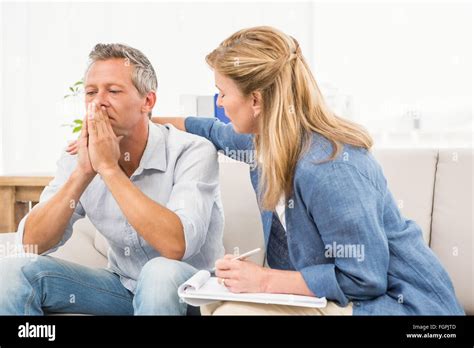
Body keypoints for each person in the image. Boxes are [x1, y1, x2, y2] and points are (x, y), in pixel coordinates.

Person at [154, 26, 464, 315]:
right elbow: (209, 129)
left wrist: (263, 280)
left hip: (406, 308)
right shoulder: (264, 143)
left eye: (222, 93)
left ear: (257, 100)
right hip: (344, 300)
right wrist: (141, 124)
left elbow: (364, 278)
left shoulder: (331, 167)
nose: (219, 103)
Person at [0, 43, 224, 315]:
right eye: (91, 92)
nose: (98, 102)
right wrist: (83, 172)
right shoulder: (78, 156)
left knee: (159, 273)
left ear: (148, 102)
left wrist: (109, 169)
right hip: (121, 289)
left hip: (190, 291)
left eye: (113, 91)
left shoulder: (192, 151)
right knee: (12, 269)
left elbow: (175, 246)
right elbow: (30, 243)